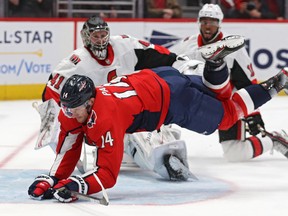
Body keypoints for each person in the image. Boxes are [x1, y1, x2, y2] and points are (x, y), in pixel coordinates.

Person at [28, 35, 288, 202]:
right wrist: (51, 179)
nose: (68, 113)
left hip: (171, 99)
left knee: (226, 117)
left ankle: (275, 83)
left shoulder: (105, 118)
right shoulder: (78, 107)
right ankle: (216, 65)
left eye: (73, 108)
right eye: (66, 107)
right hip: (158, 76)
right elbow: (68, 147)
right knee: (219, 94)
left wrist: (77, 185)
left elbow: (107, 174)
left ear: (90, 102)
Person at [35, 16, 194, 182]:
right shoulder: (76, 62)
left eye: (103, 35)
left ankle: (165, 155)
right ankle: (159, 159)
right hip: (102, 120)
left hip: (131, 109)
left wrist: (177, 62)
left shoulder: (124, 44)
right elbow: (50, 93)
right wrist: (56, 125)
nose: (100, 40)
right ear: (85, 37)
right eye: (95, 36)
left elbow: (154, 54)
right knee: (128, 139)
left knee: (150, 128)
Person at [170, 3, 288, 162]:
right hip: (196, 100)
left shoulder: (233, 48)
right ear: (198, 22)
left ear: (219, 24)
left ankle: (272, 141)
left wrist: (253, 114)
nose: (208, 26)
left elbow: (247, 84)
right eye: (204, 22)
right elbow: (167, 67)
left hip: (226, 105)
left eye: (212, 22)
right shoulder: (187, 45)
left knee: (236, 154)